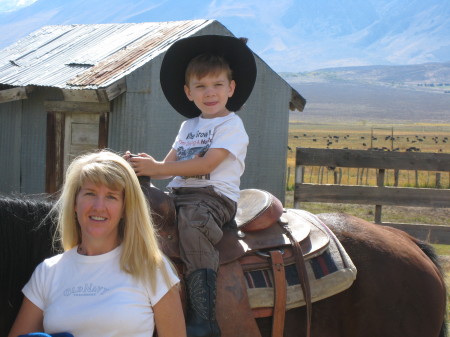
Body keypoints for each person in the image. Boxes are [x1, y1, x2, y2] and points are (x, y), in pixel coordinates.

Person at [125, 34, 257, 337]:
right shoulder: (189, 126)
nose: (209, 93)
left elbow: (207, 164)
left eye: (217, 85)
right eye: (200, 86)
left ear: (231, 88)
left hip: (213, 199)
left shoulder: (230, 125)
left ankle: (203, 316)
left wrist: (160, 168)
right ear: (188, 92)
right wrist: (146, 165)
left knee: (192, 225)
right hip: (180, 193)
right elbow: (171, 163)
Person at [8, 150, 186, 337]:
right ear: (75, 203)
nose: (99, 206)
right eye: (90, 193)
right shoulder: (47, 272)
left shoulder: (152, 268)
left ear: (125, 208)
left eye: (111, 196)